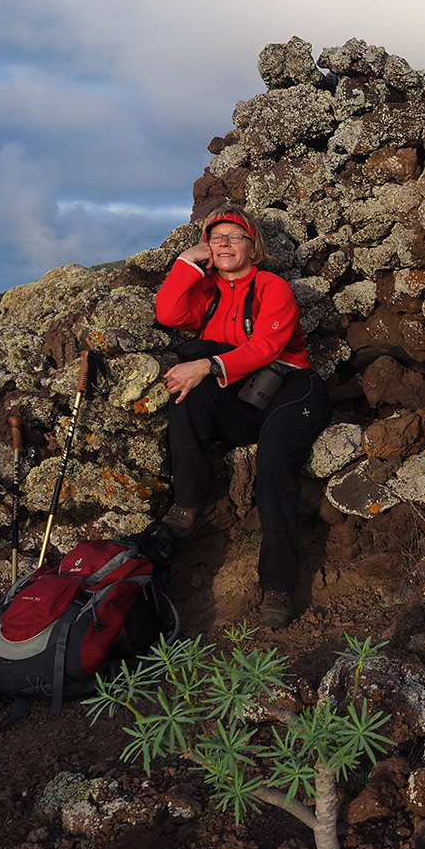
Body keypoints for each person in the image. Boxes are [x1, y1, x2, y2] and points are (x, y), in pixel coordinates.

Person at [155, 206, 329, 627]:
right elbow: (169, 314)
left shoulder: (272, 287)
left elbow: (268, 347)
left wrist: (207, 365)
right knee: (186, 395)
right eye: (217, 238)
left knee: (274, 460)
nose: (225, 244)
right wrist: (186, 262)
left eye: (235, 237)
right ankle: (189, 502)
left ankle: (278, 585)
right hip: (243, 395)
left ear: (254, 248)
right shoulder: (208, 291)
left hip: (291, 388)